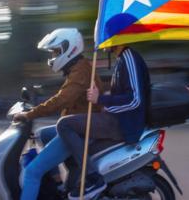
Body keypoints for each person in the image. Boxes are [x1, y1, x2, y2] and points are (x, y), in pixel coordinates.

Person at [13, 28, 103, 200]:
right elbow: (64, 96)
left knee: (32, 172)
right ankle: (60, 183)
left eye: (55, 52)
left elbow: (62, 99)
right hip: (78, 124)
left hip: (80, 131)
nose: (53, 57)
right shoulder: (78, 68)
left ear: (69, 49)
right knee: (43, 134)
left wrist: (30, 114)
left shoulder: (80, 73)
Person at [57, 43, 150, 200]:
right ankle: (72, 184)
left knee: (64, 125)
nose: (102, 43)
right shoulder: (122, 59)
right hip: (118, 118)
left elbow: (135, 100)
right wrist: (105, 99)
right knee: (72, 137)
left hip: (122, 123)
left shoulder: (129, 58)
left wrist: (101, 99)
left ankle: (93, 178)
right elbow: (124, 93)